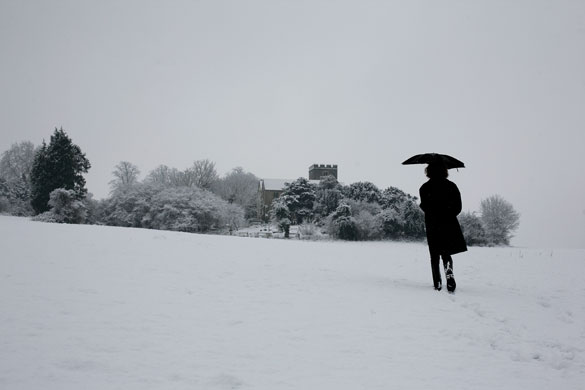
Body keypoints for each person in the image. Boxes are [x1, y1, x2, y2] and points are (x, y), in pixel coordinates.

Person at [419, 161, 467, 292]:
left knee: (434, 254)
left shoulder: (424, 188)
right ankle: (449, 272)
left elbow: (425, 206)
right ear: (444, 171)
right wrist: (448, 213)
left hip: (432, 224)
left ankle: (437, 282)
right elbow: (458, 206)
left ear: (428, 171)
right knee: (446, 252)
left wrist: (432, 211)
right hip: (448, 223)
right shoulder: (451, 186)